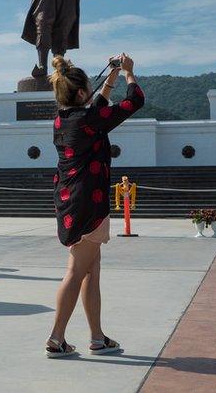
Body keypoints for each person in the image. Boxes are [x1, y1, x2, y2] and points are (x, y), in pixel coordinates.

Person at [45, 53, 144, 358]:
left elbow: (96, 111)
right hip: (88, 204)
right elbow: (135, 101)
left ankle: (97, 338)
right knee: (77, 271)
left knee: (91, 271)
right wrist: (128, 73)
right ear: (80, 93)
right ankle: (56, 338)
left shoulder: (64, 119)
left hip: (72, 201)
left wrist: (110, 77)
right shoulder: (87, 120)